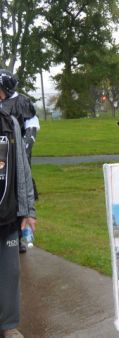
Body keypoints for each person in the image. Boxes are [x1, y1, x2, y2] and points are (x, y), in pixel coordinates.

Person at [0, 108, 36, 338]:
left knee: (10, 274)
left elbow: (22, 169)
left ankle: (8, 326)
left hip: (7, 217)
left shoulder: (9, 122)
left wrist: (28, 210)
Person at [0, 70, 39, 253]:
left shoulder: (21, 103)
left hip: (16, 153)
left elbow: (32, 125)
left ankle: (18, 236)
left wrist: (24, 148)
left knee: (18, 190)